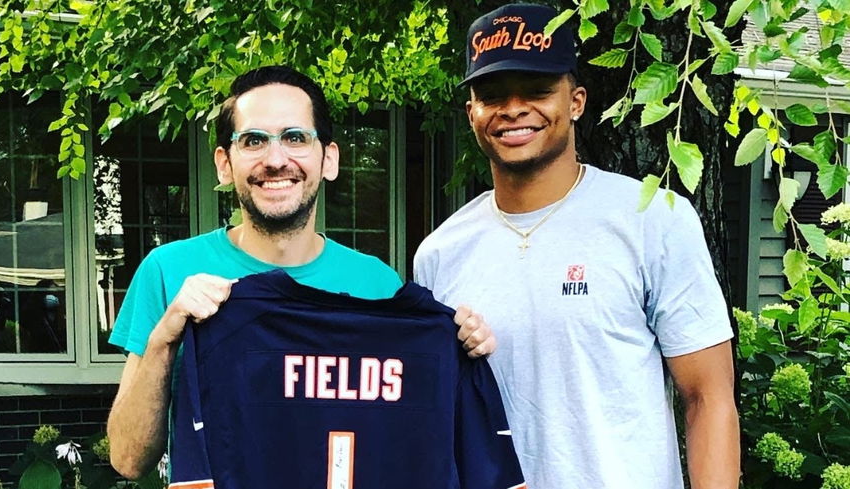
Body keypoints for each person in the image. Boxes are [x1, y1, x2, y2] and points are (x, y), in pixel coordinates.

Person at [106, 65, 494, 479]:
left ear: (328, 159)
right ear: (224, 163)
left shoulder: (378, 285)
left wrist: (463, 344)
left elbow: (413, 436)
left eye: (295, 138)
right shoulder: (169, 271)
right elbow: (128, 461)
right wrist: (166, 336)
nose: (275, 160)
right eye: (253, 141)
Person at [413, 4, 740, 489]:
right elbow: (438, 417)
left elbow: (708, 397)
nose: (514, 109)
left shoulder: (652, 218)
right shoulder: (440, 254)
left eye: (539, 90)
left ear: (576, 102)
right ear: (472, 113)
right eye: (493, 95)